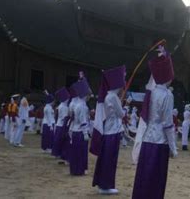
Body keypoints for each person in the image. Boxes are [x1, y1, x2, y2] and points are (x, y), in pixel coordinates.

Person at [132, 46, 177, 199]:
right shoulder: (167, 95)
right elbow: (167, 124)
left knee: (144, 176)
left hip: (147, 139)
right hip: (160, 142)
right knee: (156, 179)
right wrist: (173, 147)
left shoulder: (150, 93)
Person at [92, 65, 126, 195]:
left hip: (108, 131)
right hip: (113, 131)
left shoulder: (108, 96)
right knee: (110, 160)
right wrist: (122, 103)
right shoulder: (113, 97)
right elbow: (121, 114)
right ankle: (106, 186)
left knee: (106, 158)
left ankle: (104, 184)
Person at [69, 78, 91, 176]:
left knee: (75, 152)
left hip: (75, 130)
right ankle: (79, 170)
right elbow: (83, 121)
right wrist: (86, 133)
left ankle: (75, 169)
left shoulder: (77, 104)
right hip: (80, 132)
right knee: (80, 152)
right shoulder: (82, 106)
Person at [52, 87, 70, 160]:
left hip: (59, 124)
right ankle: (58, 153)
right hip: (62, 125)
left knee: (58, 139)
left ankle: (56, 152)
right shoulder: (64, 107)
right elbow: (65, 117)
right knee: (60, 140)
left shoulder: (61, 106)